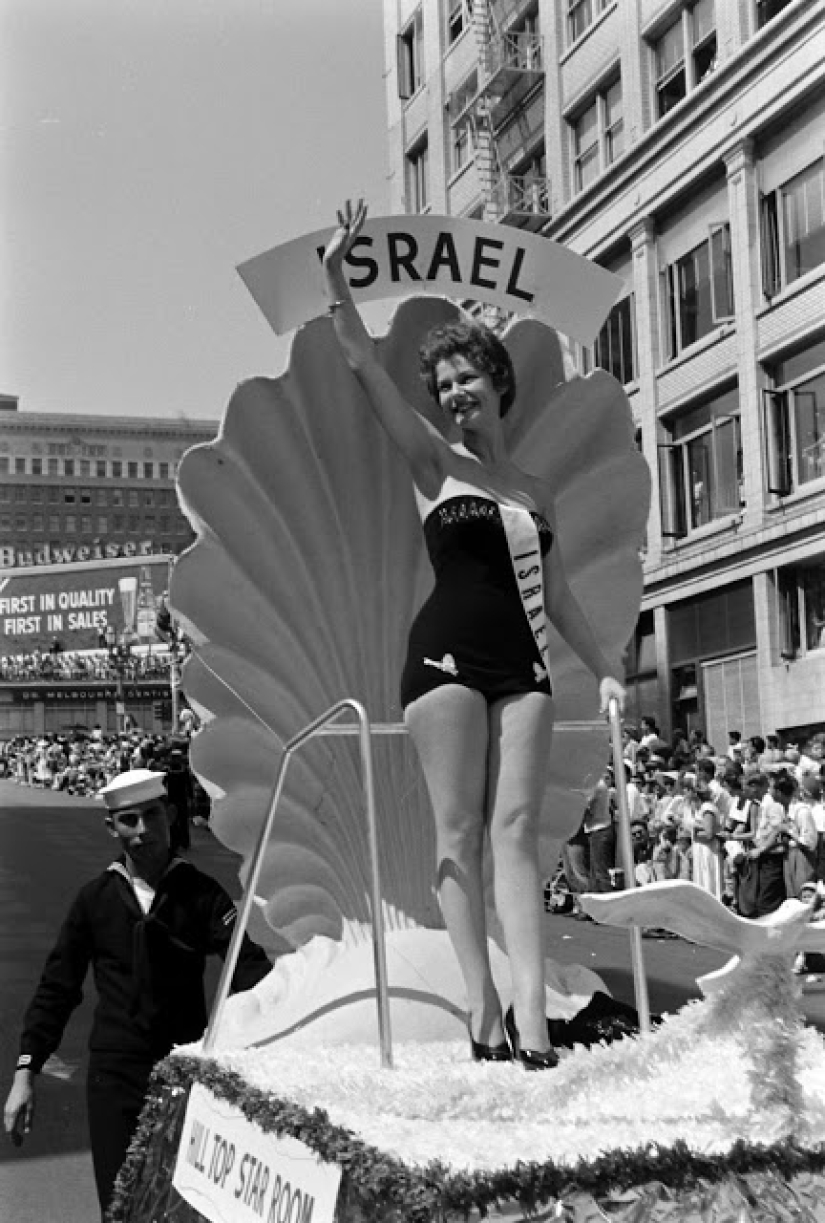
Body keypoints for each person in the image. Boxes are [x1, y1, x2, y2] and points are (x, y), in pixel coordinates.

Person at [322, 199, 626, 1070]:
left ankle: (532, 1021)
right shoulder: (431, 461)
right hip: (445, 660)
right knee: (456, 836)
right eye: (443, 383)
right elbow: (358, 361)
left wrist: (604, 669)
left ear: (498, 382)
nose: (455, 393)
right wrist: (339, 276)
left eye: (467, 377)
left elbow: (559, 592)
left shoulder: (533, 488)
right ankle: (481, 1006)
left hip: (522, 664)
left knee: (519, 832)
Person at [3, 769, 272, 1219]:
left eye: (151, 815)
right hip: (115, 1077)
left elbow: (248, 968)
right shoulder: (94, 899)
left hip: (183, 1071)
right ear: (112, 828)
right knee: (120, 1204)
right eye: (129, 820)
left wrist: (274, 1033)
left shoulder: (202, 893)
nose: (143, 830)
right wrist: (25, 1070)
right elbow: (58, 986)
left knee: (184, 1205)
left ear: (168, 815)